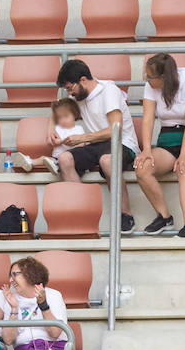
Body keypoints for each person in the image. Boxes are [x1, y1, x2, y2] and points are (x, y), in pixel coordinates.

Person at [134, 53, 185, 237]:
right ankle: (164, 216)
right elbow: (147, 119)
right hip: (167, 139)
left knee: (184, 168)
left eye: (149, 76)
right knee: (142, 168)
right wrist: (146, 149)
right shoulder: (150, 86)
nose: (146, 80)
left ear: (162, 77)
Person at [54, 59, 141, 234]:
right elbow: (57, 108)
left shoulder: (108, 91)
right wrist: (52, 130)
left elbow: (115, 129)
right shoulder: (81, 95)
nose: (70, 93)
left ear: (83, 80)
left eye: (71, 88)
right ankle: (81, 213)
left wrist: (82, 138)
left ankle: (125, 214)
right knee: (64, 159)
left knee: (107, 161)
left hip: (123, 142)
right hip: (97, 144)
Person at [10, 99, 85, 176]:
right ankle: (30, 162)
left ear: (75, 115)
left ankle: (57, 167)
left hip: (71, 159)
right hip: (55, 158)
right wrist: (53, 142)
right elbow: (49, 142)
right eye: (60, 117)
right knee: (43, 159)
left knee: (56, 161)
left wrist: (62, 142)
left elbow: (81, 144)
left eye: (66, 116)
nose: (63, 120)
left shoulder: (78, 128)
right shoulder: (57, 129)